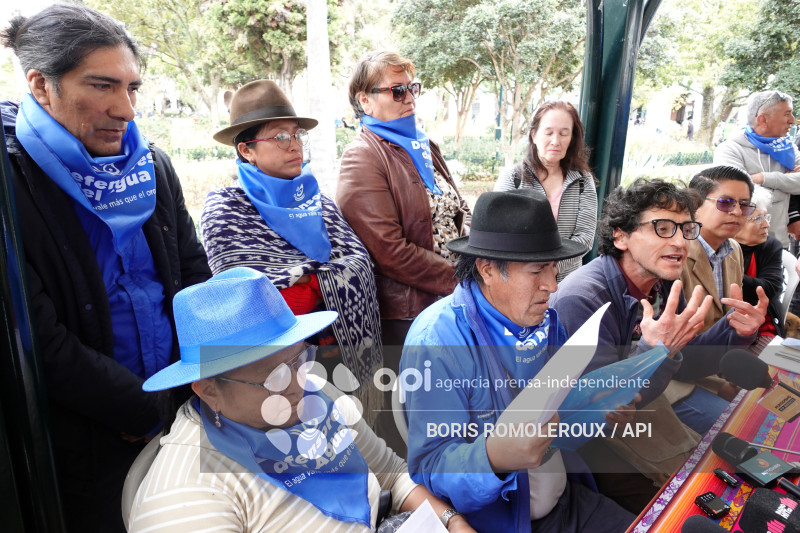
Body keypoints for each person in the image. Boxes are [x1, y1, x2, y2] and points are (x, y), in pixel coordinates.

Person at [0, 5, 211, 532]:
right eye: (101, 86)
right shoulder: (11, 184)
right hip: (82, 439)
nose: (126, 110)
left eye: (132, 88)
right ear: (42, 85)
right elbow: (33, 335)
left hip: (178, 417)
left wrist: (195, 390)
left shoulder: (152, 168)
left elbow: (192, 277)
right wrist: (138, 408)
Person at [128, 267, 475, 533]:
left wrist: (451, 520)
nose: (298, 383)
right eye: (273, 377)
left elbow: (392, 475)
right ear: (208, 390)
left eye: (299, 359)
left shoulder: (315, 399)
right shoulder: (184, 495)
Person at [400, 190, 635, 533]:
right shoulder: (439, 343)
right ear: (488, 270)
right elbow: (432, 469)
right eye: (538, 270)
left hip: (568, 497)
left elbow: (559, 423)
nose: (552, 286)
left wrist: (598, 411)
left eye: (554, 269)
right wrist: (494, 458)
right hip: (503, 520)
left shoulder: (546, 321)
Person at [551, 178, 766, 511]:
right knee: (691, 501)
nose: (680, 241)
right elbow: (609, 405)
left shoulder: (659, 284)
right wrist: (656, 353)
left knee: (738, 455)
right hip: (582, 446)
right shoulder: (584, 300)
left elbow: (689, 364)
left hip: (635, 414)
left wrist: (735, 330)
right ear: (620, 235)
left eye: (686, 229)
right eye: (663, 228)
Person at [201, 79, 382, 425]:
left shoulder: (319, 203)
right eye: (280, 137)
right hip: (275, 377)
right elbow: (253, 300)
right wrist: (321, 284)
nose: (294, 145)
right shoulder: (226, 210)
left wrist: (305, 283)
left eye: (297, 135)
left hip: (340, 363)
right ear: (247, 150)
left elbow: (360, 265)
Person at [337, 50, 471, 348]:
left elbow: (458, 208)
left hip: (455, 298)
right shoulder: (362, 157)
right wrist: (462, 279)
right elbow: (389, 251)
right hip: (412, 313)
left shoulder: (424, 145)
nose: (410, 98)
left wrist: (477, 255)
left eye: (413, 88)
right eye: (397, 91)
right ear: (365, 100)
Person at [494, 101, 597, 280]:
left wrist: (549, 268)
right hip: (519, 279)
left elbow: (585, 238)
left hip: (565, 281)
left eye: (564, 134)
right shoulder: (513, 178)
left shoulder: (582, 181)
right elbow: (498, 231)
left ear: (572, 138)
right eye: (548, 132)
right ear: (533, 135)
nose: (555, 141)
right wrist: (532, 268)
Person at [714, 90, 800, 248]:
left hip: (779, 243)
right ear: (763, 119)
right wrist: (787, 185)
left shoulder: (789, 148)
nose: (792, 120)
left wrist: (762, 178)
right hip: (740, 246)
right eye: (787, 114)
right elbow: (739, 196)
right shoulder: (730, 150)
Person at [682, 165, 759, 333]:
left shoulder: (734, 249)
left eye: (744, 205)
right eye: (726, 203)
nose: (737, 212)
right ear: (694, 204)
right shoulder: (677, 250)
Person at [734, 186, 785, 342]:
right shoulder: (720, 247)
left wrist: (729, 276)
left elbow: (771, 289)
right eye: (758, 219)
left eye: (766, 217)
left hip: (762, 329)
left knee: (790, 365)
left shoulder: (770, 246)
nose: (766, 225)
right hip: (725, 329)